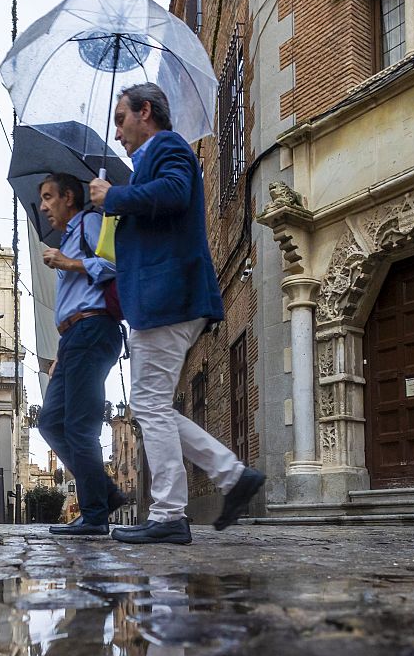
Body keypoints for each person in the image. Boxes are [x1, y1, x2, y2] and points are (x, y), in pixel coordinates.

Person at [88, 83, 264, 545]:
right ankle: (233, 477)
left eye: (121, 119)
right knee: (153, 407)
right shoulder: (149, 158)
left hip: (168, 296)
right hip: (161, 298)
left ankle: (169, 514)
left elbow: (172, 193)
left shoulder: (168, 146)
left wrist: (116, 196)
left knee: (148, 406)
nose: (118, 131)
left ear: (146, 112)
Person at [34, 172, 127, 535]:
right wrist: (60, 350)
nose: (43, 207)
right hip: (73, 338)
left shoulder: (90, 222)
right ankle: (105, 494)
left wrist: (67, 262)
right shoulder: (68, 237)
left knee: (79, 425)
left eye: (48, 197)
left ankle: (94, 514)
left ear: (69, 197)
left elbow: (115, 265)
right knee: (50, 422)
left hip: (94, 329)